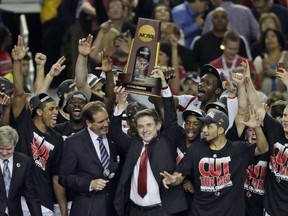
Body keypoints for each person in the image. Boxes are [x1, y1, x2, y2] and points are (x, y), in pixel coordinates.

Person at [160, 107, 269, 215]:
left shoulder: (238, 150)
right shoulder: (195, 149)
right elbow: (180, 174)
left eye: (209, 127)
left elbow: (263, 148)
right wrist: (174, 179)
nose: (204, 130)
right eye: (204, 126)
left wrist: (257, 127)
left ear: (221, 130)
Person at [111, 67, 188, 216]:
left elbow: (171, 118)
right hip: (134, 211)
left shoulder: (166, 141)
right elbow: (114, 132)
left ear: (158, 126)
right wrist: (119, 107)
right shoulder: (133, 144)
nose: (144, 130)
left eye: (148, 125)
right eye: (140, 126)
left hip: (161, 211)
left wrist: (164, 86)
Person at [11, 36, 67, 216]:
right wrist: (18, 62)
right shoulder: (24, 124)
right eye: (51, 109)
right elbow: (20, 94)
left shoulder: (57, 139)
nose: (56, 112)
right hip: (18, 200)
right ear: (39, 112)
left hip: (44, 203)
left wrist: (63, 211)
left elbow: (57, 178)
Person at [59, 100, 125, 216]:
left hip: (114, 208)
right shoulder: (73, 143)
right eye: (100, 122)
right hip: (87, 207)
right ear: (88, 123)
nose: (106, 124)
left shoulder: (114, 138)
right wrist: (89, 184)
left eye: (107, 119)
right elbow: (64, 178)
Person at [0, 125, 42, 216]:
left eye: (8, 149)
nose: (4, 153)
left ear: (15, 144)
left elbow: (31, 195)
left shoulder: (24, 162)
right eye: (1, 148)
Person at [253, 28, 288, 95]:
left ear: (279, 40)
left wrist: (274, 73)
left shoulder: (286, 56)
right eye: (267, 37)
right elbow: (254, 84)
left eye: (273, 36)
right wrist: (263, 72)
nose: (270, 39)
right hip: (264, 100)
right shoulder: (259, 60)